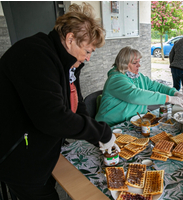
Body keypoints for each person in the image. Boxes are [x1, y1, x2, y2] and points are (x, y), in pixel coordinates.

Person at [0, 3, 119, 199]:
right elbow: (53, 117)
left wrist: (97, 136)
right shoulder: (35, 54)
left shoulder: (68, 62)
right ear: (70, 38)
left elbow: (77, 106)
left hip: (44, 153)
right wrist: (102, 132)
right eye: (88, 51)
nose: (88, 58)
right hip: (20, 157)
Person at [95, 46, 183, 127]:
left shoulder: (137, 76)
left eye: (139, 62)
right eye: (134, 63)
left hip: (132, 122)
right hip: (111, 126)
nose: (139, 65)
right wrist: (169, 99)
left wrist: (176, 93)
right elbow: (135, 95)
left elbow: (156, 86)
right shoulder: (116, 79)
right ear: (123, 64)